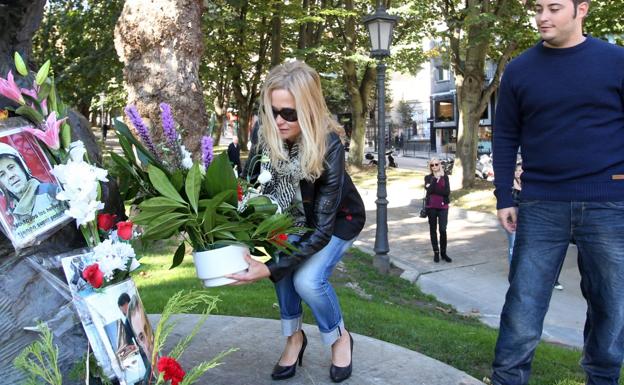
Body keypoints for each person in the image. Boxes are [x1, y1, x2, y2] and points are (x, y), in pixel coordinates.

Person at [491, 1, 624, 384]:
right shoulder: (519, 69)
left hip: (609, 204)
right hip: (540, 202)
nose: (543, 17)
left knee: (611, 306)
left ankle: (602, 379)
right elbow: (505, 136)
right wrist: (504, 196)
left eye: (554, 7)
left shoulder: (616, 61)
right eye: (538, 8)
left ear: (581, 9)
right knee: (523, 306)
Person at [230, 61, 365, 383]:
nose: (279, 121)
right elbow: (250, 190)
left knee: (307, 280)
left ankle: (339, 338)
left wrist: (270, 266)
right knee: (283, 269)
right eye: (274, 111)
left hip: (336, 221)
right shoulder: (266, 133)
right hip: (289, 220)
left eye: (289, 113)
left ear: (308, 109)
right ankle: (294, 338)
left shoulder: (328, 144)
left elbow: (320, 229)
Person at [0, 142, 62, 227]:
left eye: (11, 167)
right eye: (2, 175)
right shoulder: (11, 215)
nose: (10, 176)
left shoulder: (50, 191)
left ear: (23, 167)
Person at [424, 158, 451, 263]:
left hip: (443, 207)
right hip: (431, 207)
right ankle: (436, 252)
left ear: (440, 165)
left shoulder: (445, 177)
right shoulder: (428, 177)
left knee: (443, 230)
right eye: (432, 165)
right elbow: (429, 191)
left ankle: (443, 253)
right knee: (433, 230)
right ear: (430, 167)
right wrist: (435, 180)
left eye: (436, 164)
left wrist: (434, 188)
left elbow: (446, 192)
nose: (434, 166)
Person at [127, 294, 154, 381]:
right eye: (142, 337)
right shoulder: (147, 381)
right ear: (139, 342)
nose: (151, 340)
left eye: (151, 329)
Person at [504, 162, 522, 265]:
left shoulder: (524, 184)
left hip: (523, 219)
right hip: (512, 219)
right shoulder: (510, 185)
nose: (519, 173)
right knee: (513, 245)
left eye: (521, 170)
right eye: (518, 170)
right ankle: (512, 269)